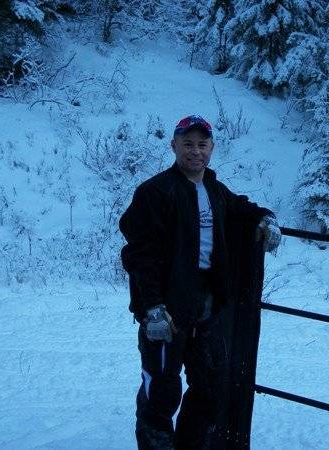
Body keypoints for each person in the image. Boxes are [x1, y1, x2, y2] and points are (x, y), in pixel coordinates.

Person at [119, 115, 281, 450]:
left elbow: (244, 208)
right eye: (188, 143)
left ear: (212, 148)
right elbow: (141, 255)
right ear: (174, 145)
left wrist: (267, 219)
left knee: (210, 387)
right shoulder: (155, 192)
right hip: (166, 309)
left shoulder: (215, 190)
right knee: (161, 392)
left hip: (205, 307)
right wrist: (152, 308)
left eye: (202, 144)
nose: (196, 151)